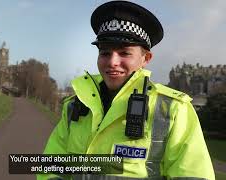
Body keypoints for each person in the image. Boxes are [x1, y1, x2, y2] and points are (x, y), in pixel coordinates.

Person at [38, 1, 215, 179]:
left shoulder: (173, 109)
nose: (113, 62)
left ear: (146, 58)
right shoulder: (74, 106)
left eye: (124, 53)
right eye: (105, 53)